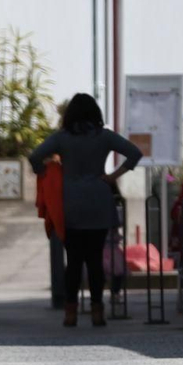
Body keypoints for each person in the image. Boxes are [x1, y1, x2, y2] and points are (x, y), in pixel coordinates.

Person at [27, 94, 142, 327]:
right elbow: (135, 153)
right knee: (95, 259)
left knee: (74, 261)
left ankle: (70, 312)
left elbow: (35, 156)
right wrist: (113, 176)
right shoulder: (104, 137)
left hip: (70, 203)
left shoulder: (62, 138)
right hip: (99, 199)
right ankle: (97, 311)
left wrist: (47, 172)